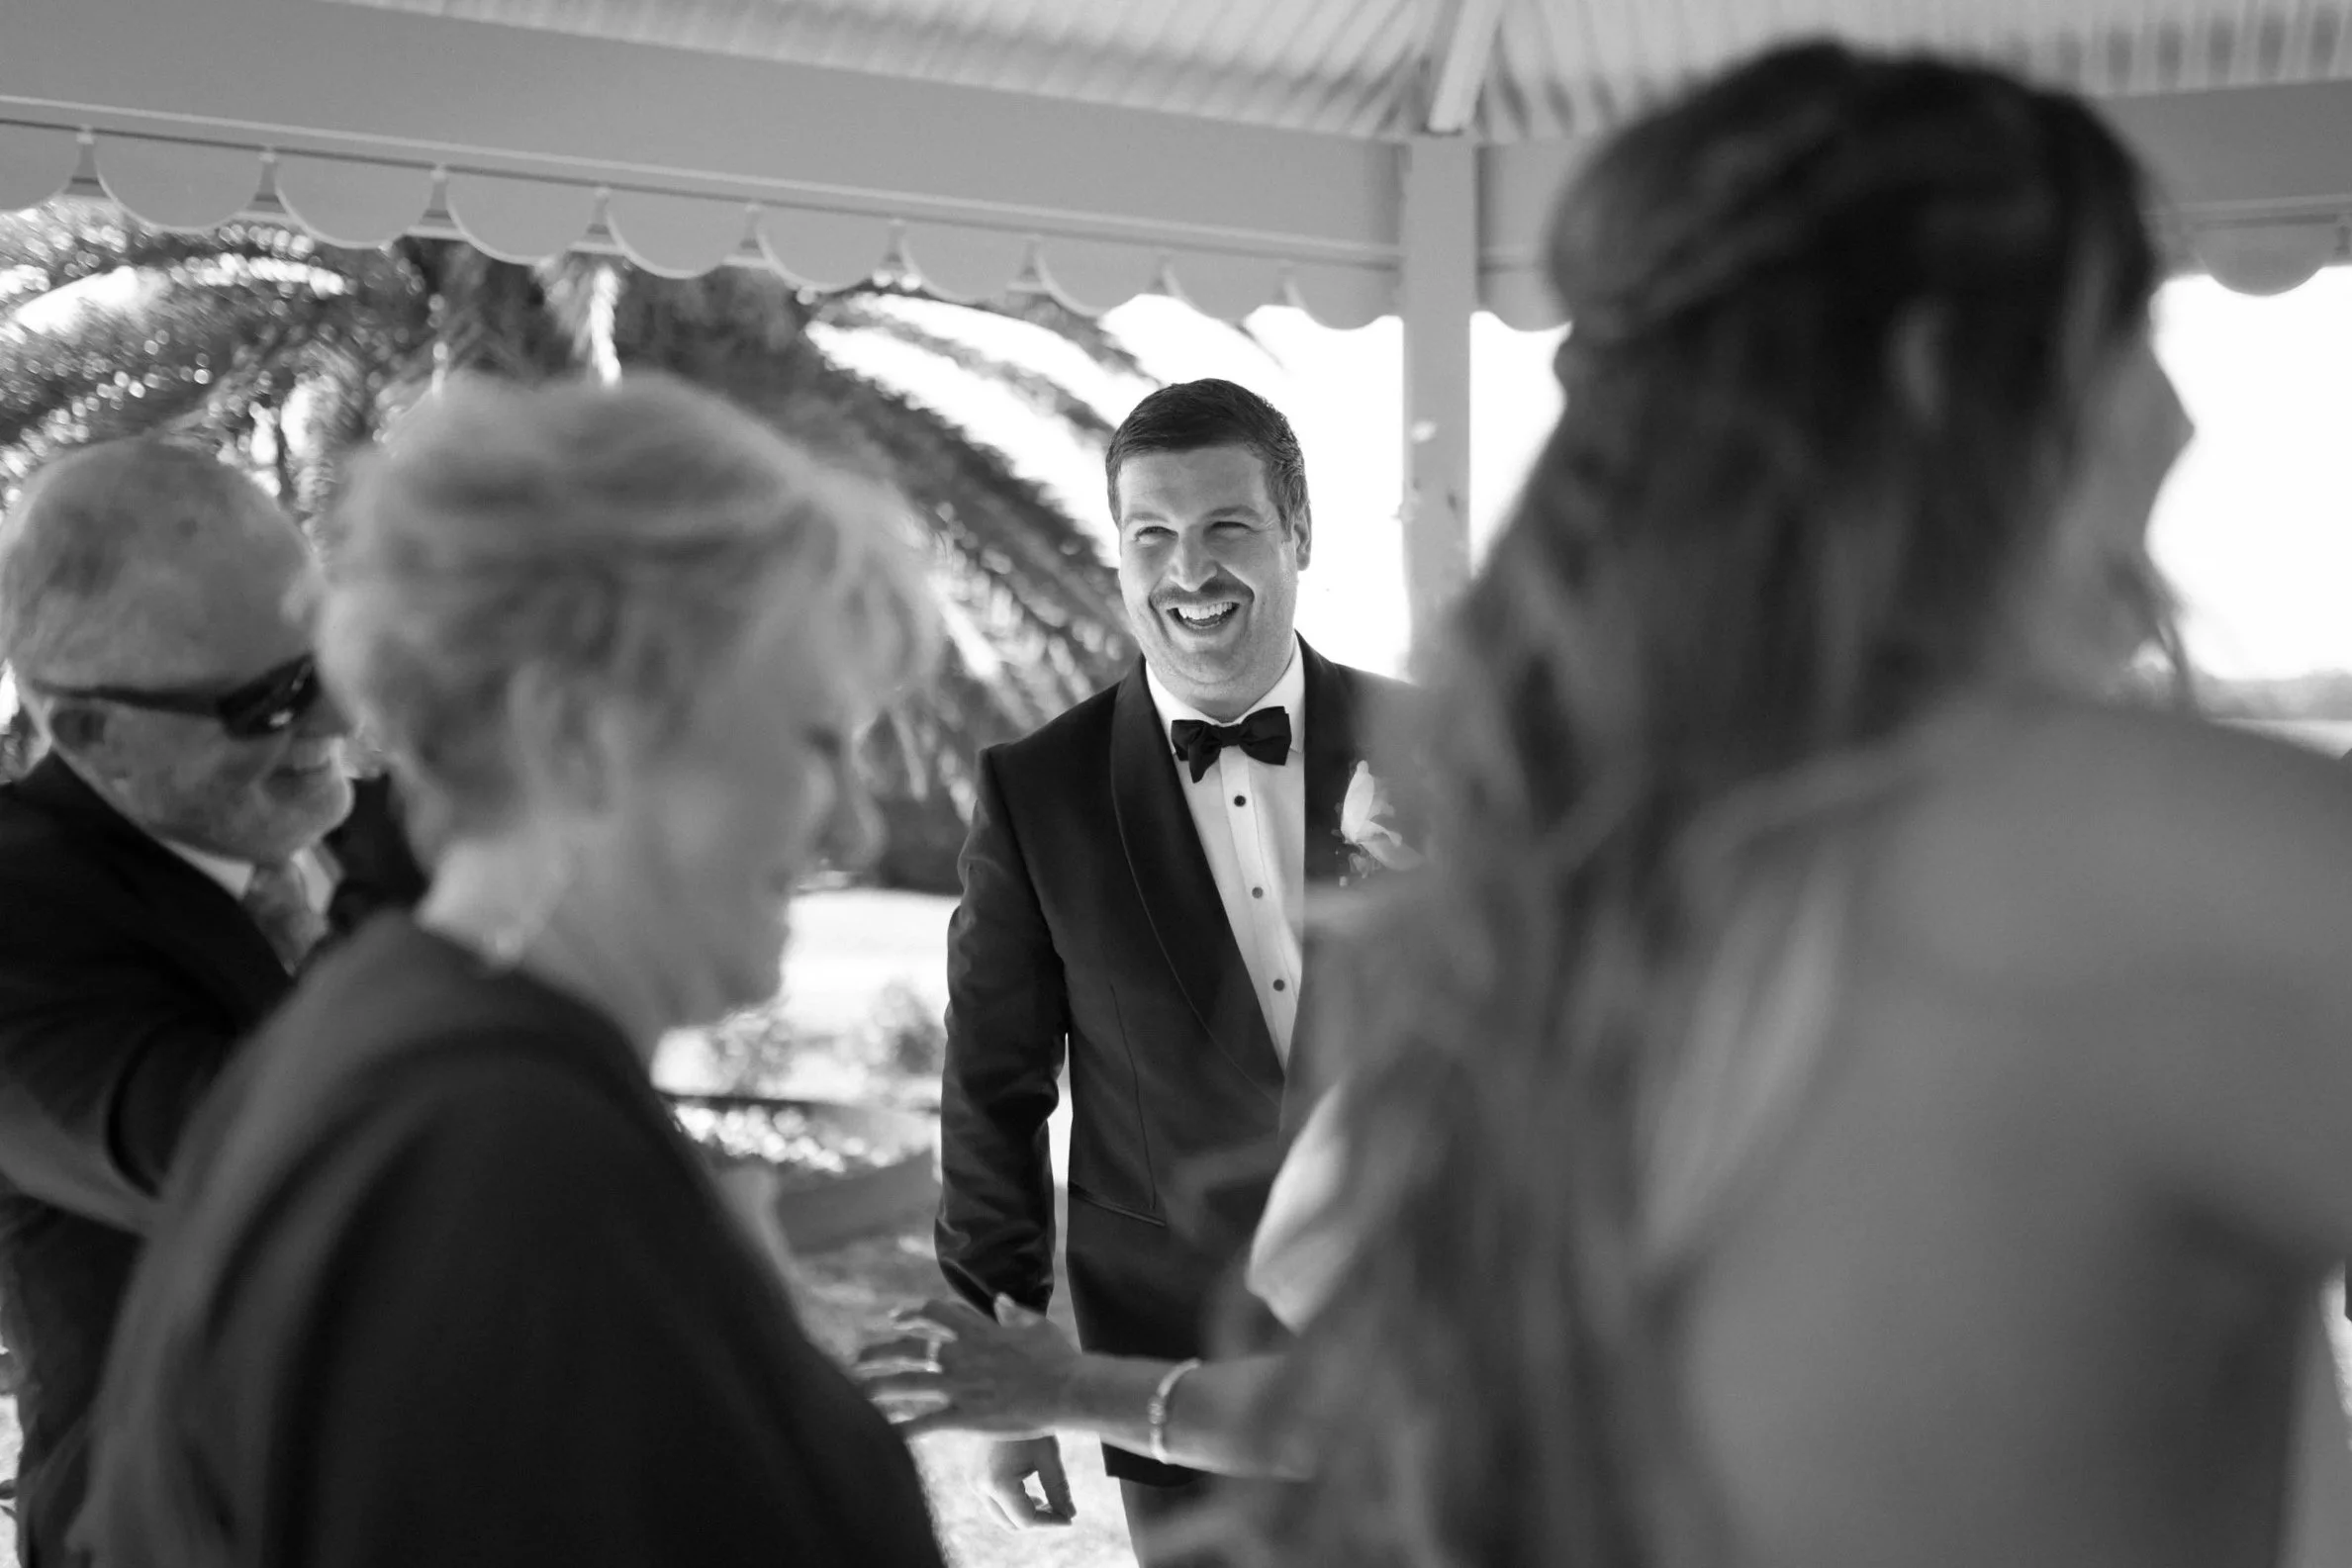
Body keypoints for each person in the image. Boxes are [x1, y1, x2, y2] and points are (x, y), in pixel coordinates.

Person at [1189, 39, 2352, 1568]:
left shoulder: (1540, 920)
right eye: (2127, 327)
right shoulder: (2146, 860)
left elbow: (1312, 1296)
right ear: (1938, 373)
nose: (2181, 424)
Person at [74, 376, 950, 1568]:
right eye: (813, 742)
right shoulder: (498, 1157)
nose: (852, 830)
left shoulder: (393, 1050)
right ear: (580, 735)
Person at [934, 377, 1410, 1560]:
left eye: (1226, 529)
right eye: (1151, 536)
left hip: (1420, 1332)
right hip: (1169, 1344)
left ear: (1296, 536)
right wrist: (1010, 1370)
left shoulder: (1440, 752)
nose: (1187, 572)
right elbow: (992, 1090)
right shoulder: (1037, 790)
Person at [0, 438, 411, 1568]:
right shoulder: (20, 910)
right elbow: (247, 1162)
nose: (334, 718)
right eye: (272, 698)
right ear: (91, 731)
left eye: (330, 655)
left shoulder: (376, 835)